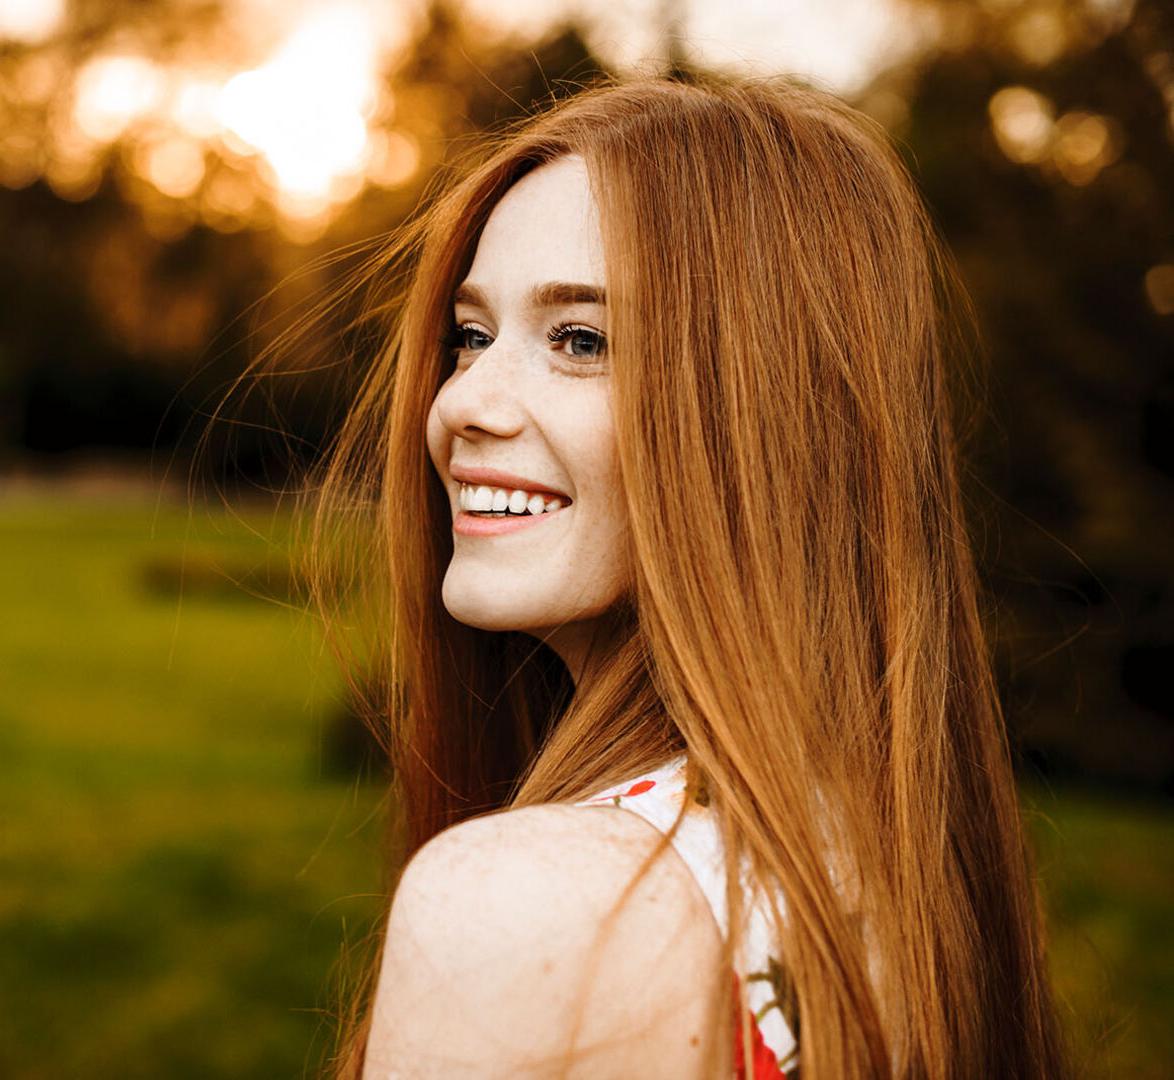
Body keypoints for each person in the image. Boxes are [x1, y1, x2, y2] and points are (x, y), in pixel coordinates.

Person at [305, 75, 1070, 1079]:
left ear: (765, 417)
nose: (461, 405)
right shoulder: (911, 877)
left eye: (579, 340)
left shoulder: (520, 906)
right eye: (471, 336)